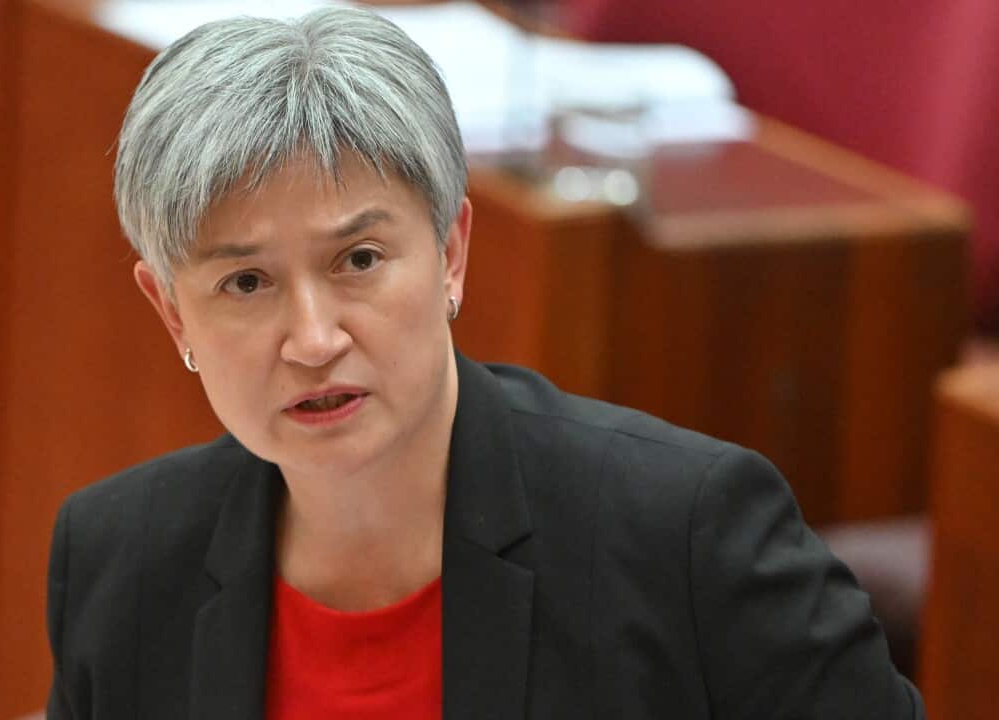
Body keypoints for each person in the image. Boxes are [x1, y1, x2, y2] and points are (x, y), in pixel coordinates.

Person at [45, 7, 922, 719]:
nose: (313, 340)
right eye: (246, 282)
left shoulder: (687, 537)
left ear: (452, 252)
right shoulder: (120, 560)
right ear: (170, 312)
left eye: (359, 261)